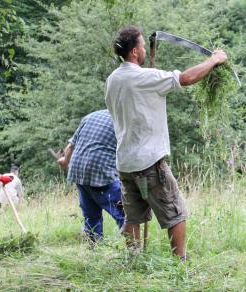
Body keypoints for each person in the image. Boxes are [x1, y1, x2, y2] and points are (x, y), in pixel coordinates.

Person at [105, 26, 228, 259]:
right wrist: (214, 60)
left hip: (126, 162)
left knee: (133, 216)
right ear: (133, 52)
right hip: (149, 161)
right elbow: (186, 78)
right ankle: (179, 263)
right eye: (141, 46)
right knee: (175, 212)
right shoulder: (143, 77)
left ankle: (134, 260)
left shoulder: (112, 80)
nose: (144, 49)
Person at [57, 110, 125, 243]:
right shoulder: (124, 120)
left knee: (91, 216)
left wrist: (65, 161)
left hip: (78, 171)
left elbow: (70, 147)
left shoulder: (91, 116)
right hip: (101, 171)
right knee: (125, 214)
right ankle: (135, 252)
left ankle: (95, 250)